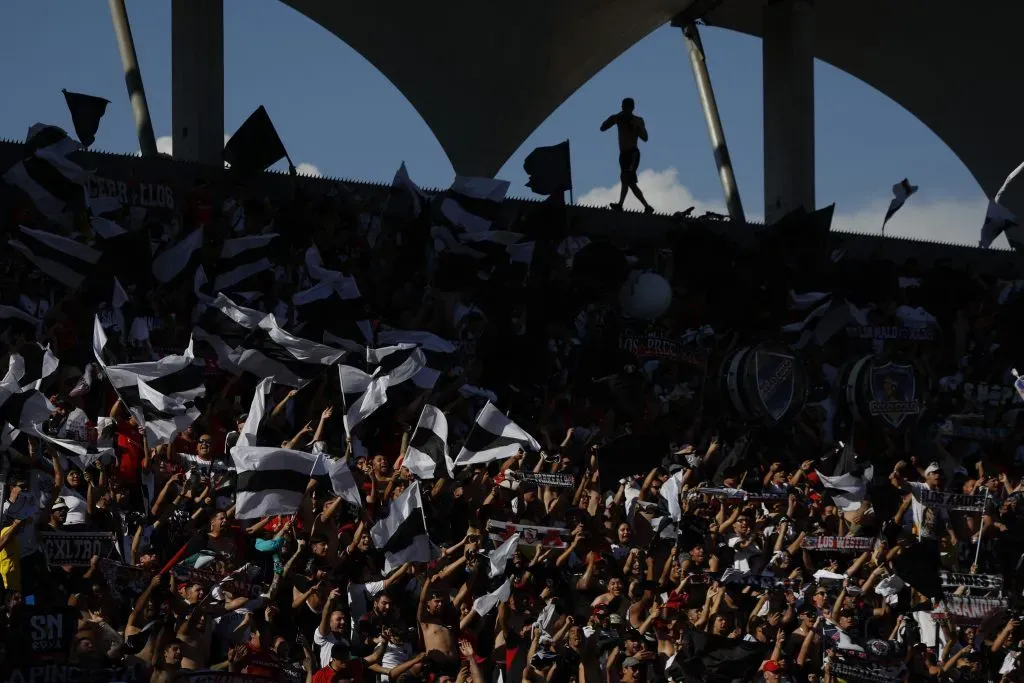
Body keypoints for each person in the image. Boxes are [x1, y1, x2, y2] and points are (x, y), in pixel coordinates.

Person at [600, 98, 654, 214]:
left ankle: (630, 205)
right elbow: (603, 128)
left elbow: (645, 138)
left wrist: (636, 127)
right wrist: (615, 118)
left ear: (632, 108)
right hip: (623, 155)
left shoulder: (637, 120)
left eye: (627, 107)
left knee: (626, 179)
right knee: (627, 181)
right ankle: (642, 206)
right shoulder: (618, 118)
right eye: (624, 107)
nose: (625, 109)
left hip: (632, 153)